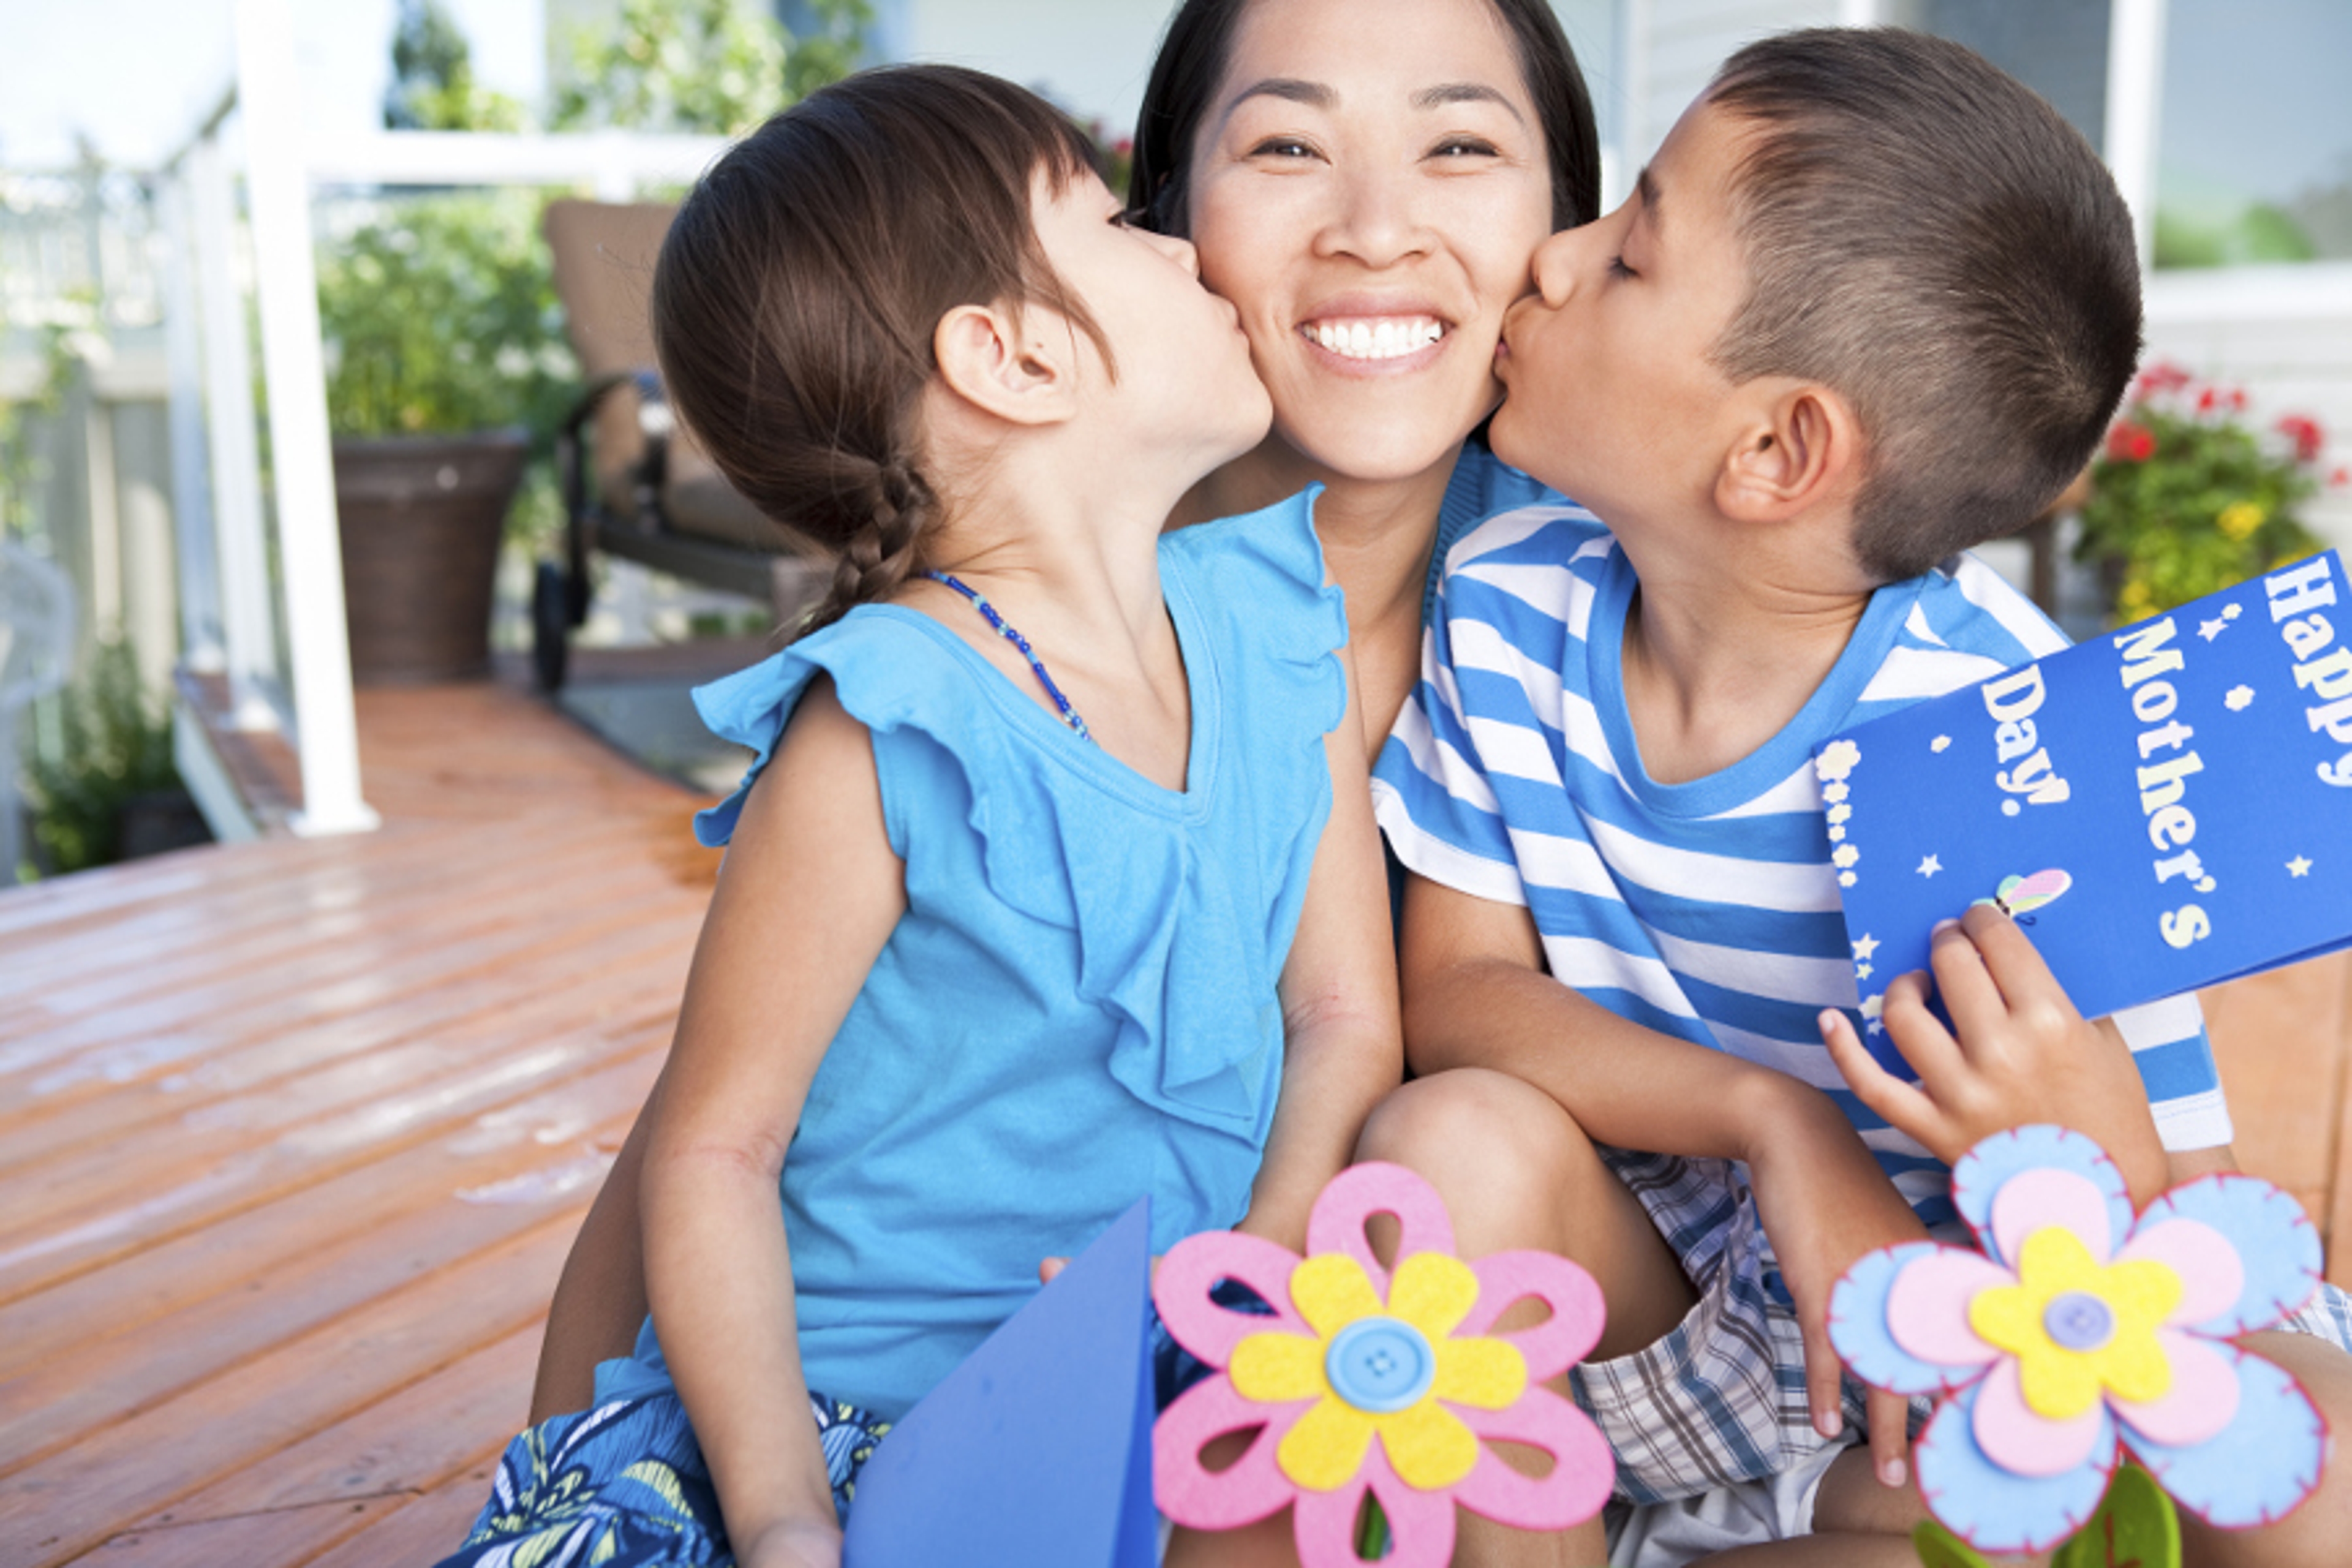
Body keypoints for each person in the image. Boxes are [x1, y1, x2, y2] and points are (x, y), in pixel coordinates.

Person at [526, 0, 1605, 1428]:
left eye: (1460, 142)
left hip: (1481, 1361)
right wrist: (564, 1488)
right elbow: (718, 1130)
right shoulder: (959, 678)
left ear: (1565, 225)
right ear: (1178, 216)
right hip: (993, 1407)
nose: (1376, 227)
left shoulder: (1610, 579)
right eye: (1288, 142)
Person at [1366, 27, 2352, 1567]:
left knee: (2327, 1473)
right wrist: (1776, 1123)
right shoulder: (1506, 608)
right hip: (1679, 1339)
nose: (1551, 260)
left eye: (1630, 253)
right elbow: (1459, 992)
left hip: (1952, 1391)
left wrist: (2067, 1133)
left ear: (1775, 449)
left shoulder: (2010, 740)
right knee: (1447, 1140)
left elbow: (2181, 1239)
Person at [440, 64, 1401, 1567]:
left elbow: (1346, 1011)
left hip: (1167, 1395)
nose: (1179, 248)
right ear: (1011, 356)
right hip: (850, 1427)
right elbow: (711, 1153)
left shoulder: (1279, 624)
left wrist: (1256, 1288)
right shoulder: (883, 724)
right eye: (1110, 219)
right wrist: (779, 1518)